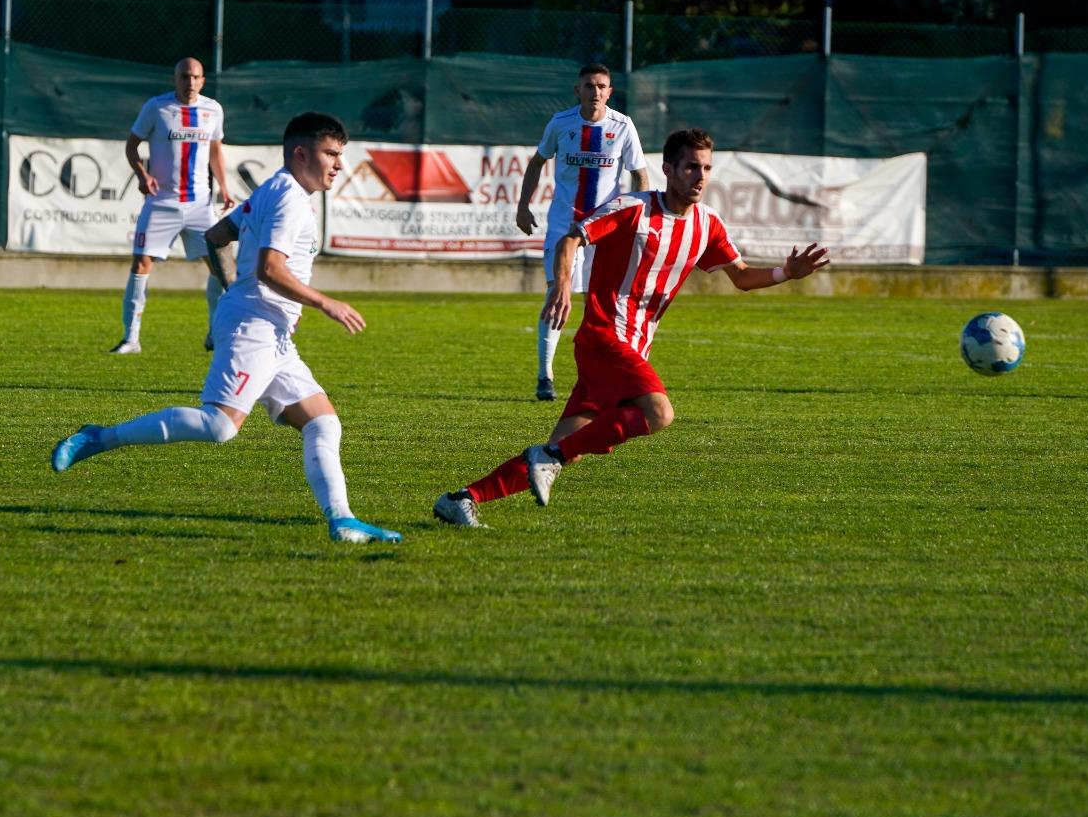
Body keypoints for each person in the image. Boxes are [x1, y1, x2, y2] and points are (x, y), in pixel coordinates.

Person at [434, 127, 831, 528]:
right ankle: (546, 459)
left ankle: (462, 498)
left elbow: (742, 277)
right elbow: (573, 238)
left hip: (631, 349)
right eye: (691, 166)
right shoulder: (632, 208)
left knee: (565, 446)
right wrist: (563, 289)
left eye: (707, 168)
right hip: (603, 336)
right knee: (659, 412)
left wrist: (787, 273)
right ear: (669, 170)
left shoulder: (707, 224)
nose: (701, 176)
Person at [54, 112, 403, 545]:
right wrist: (324, 302)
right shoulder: (289, 197)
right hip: (255, 326)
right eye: (330, 153)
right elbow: (271, 269)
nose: (338, 164)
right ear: (301, 152)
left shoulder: (276, 187)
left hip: (270, 329)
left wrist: (231, 286)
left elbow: (217, 235)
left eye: (340, 155)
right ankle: (99, 437)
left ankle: (343, 520)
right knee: (219, 426)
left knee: (323, 424)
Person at [516, 63, 650, 401]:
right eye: (589, 85)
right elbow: (536, 162)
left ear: (610, 91)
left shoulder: (623, 126)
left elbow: (640, 175)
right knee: (556, 295)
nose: (595, 91)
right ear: (578, 90)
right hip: (564, 225)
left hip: (604, 228)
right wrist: (522, 205)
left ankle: (601, 376)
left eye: (601, 86)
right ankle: (545, 376)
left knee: (601, 302)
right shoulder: (561, 123)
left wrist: (639, 217)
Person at [114, 57, 236, 355]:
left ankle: (215, 332)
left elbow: (215, 151)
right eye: (184, 77)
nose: (190, 83)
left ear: (203, 80)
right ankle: (131, 339)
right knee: (140, 264)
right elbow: (131, 145)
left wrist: (225, 186)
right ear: (175, 79)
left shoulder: (213, 110)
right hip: (161, 203)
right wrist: (142, 175)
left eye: (195, 77)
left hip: (200, 205)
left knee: (221, 268)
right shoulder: (156, 107)